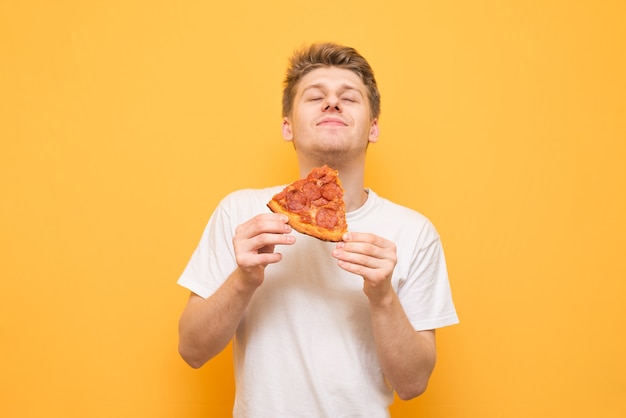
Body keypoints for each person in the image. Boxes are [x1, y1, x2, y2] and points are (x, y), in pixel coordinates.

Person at [177, 42, 458, 417]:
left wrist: (382, 296)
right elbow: (192, 351)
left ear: (373, 128)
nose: (331, 103)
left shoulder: (413, 231)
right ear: (287, 126)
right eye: (315, 97)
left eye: (349, 97)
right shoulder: (240, 213)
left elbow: (413, 384)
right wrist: (244, 279)